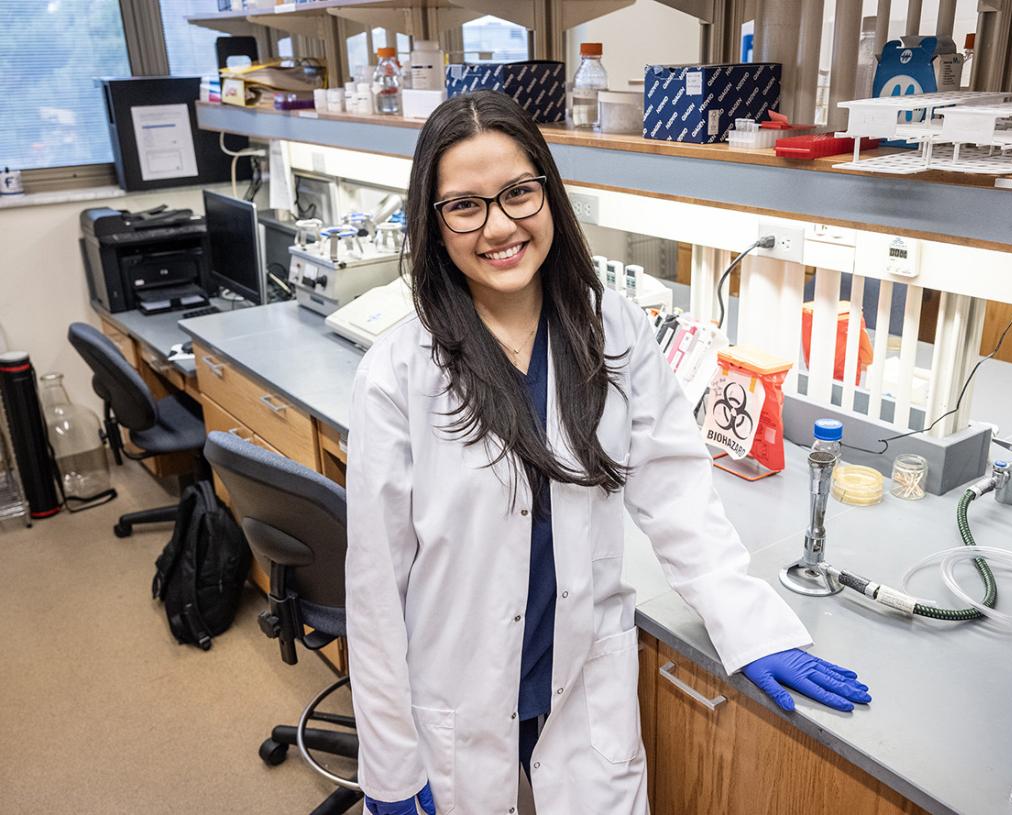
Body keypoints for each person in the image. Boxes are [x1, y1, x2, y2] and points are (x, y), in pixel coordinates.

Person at [345, 90, 870, 815]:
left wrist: (750, 626)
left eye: (519, 193)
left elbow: (676, 489)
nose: (500, 226)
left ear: (550, 195)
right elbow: (374, 591)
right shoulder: (399, 372)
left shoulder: (614, 331)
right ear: (434, 227)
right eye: (465, 206)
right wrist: (390, 768)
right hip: (456, 686)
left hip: (579, 669)